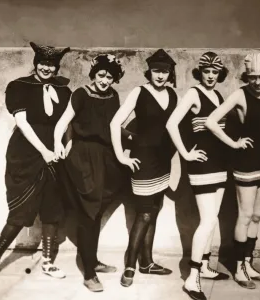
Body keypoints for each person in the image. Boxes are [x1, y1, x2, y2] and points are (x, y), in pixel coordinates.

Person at [0, 42, 71, 279]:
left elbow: (66, 122)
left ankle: (47, 262)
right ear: (36, 64)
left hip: (54, 153)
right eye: (44, 63)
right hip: (26, 152)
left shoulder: (64, 90)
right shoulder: (19, 87)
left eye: (52, 65)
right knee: (20, 210)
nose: (48, 68)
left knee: (52, 207)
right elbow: (23, 123)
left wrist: (64, 144)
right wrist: (44, 151)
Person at [54, 53, 131, 292]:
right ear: (93, 74)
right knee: (88, 213)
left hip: (107, 157)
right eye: (101, 75)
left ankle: (92, 261)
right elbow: (63, 121)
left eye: (109, 77)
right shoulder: (81, 94)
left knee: (96, 212)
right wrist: (59, 142)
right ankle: (88, 273)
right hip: (84, 157)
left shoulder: (113, 95)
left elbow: (114, 127)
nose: (105, 80)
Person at [206, 52, 260, 289]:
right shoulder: (239, 94)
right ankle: (238, 269)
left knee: (257, 216)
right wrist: (234, 143)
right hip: (246, 165)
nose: (258, 82)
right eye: (253, 76)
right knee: (245, 216)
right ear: (247, 76)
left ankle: (248, 263)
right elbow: (211, 121)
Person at [110, 49, 179, 287]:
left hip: (163, 162)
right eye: (157, 71)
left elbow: (174, 129)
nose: (161, 75)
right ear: (149, 71)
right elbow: (115, 123)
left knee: (156, 209)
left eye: (165, 71)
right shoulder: (139, 92)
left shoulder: (172, 94)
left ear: (170, 73)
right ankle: (130, 265)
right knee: (145, 213)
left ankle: (147, 262)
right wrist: (122, 156)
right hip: (142, 162)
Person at [166, 52, 230, 300]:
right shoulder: (194, 93)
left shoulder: (219, 95)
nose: (211, 76)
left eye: (215, 72)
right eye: (207, 72)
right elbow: (172, 123)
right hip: (202, 166)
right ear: (200, 73)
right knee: (207, 220)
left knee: (212, 220)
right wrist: (185, 153)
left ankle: (204, 265)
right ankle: (192, 280)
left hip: (220, 164)